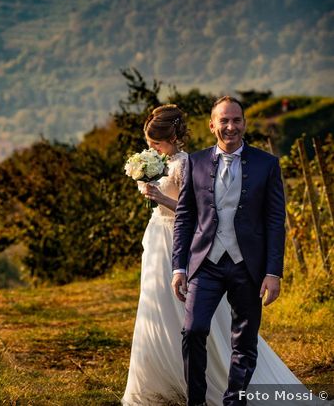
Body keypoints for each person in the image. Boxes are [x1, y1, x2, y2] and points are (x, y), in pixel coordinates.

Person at [122, 102, 310, 406]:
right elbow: (185, 217)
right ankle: (196, 401)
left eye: (237, 120)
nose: (231, 127)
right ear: (212, 125)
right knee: (193, 330)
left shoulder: (267, 164)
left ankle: (234, 400)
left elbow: (275, 222)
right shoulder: (196, 162)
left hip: (247, 265)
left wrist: (274, 272)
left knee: (244, 341)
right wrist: (179, 268)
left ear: (245, 123)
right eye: (224, 121)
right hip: (204, 263)